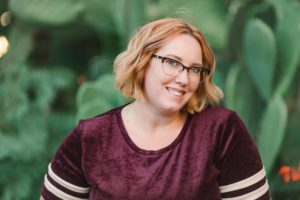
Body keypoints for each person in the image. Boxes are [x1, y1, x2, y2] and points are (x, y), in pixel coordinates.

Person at [40, 18, 270, 200]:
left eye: (194, 69)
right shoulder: (90, 136)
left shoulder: (222, 130)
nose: (183, 78)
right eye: (172, 62)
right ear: (143, 62)